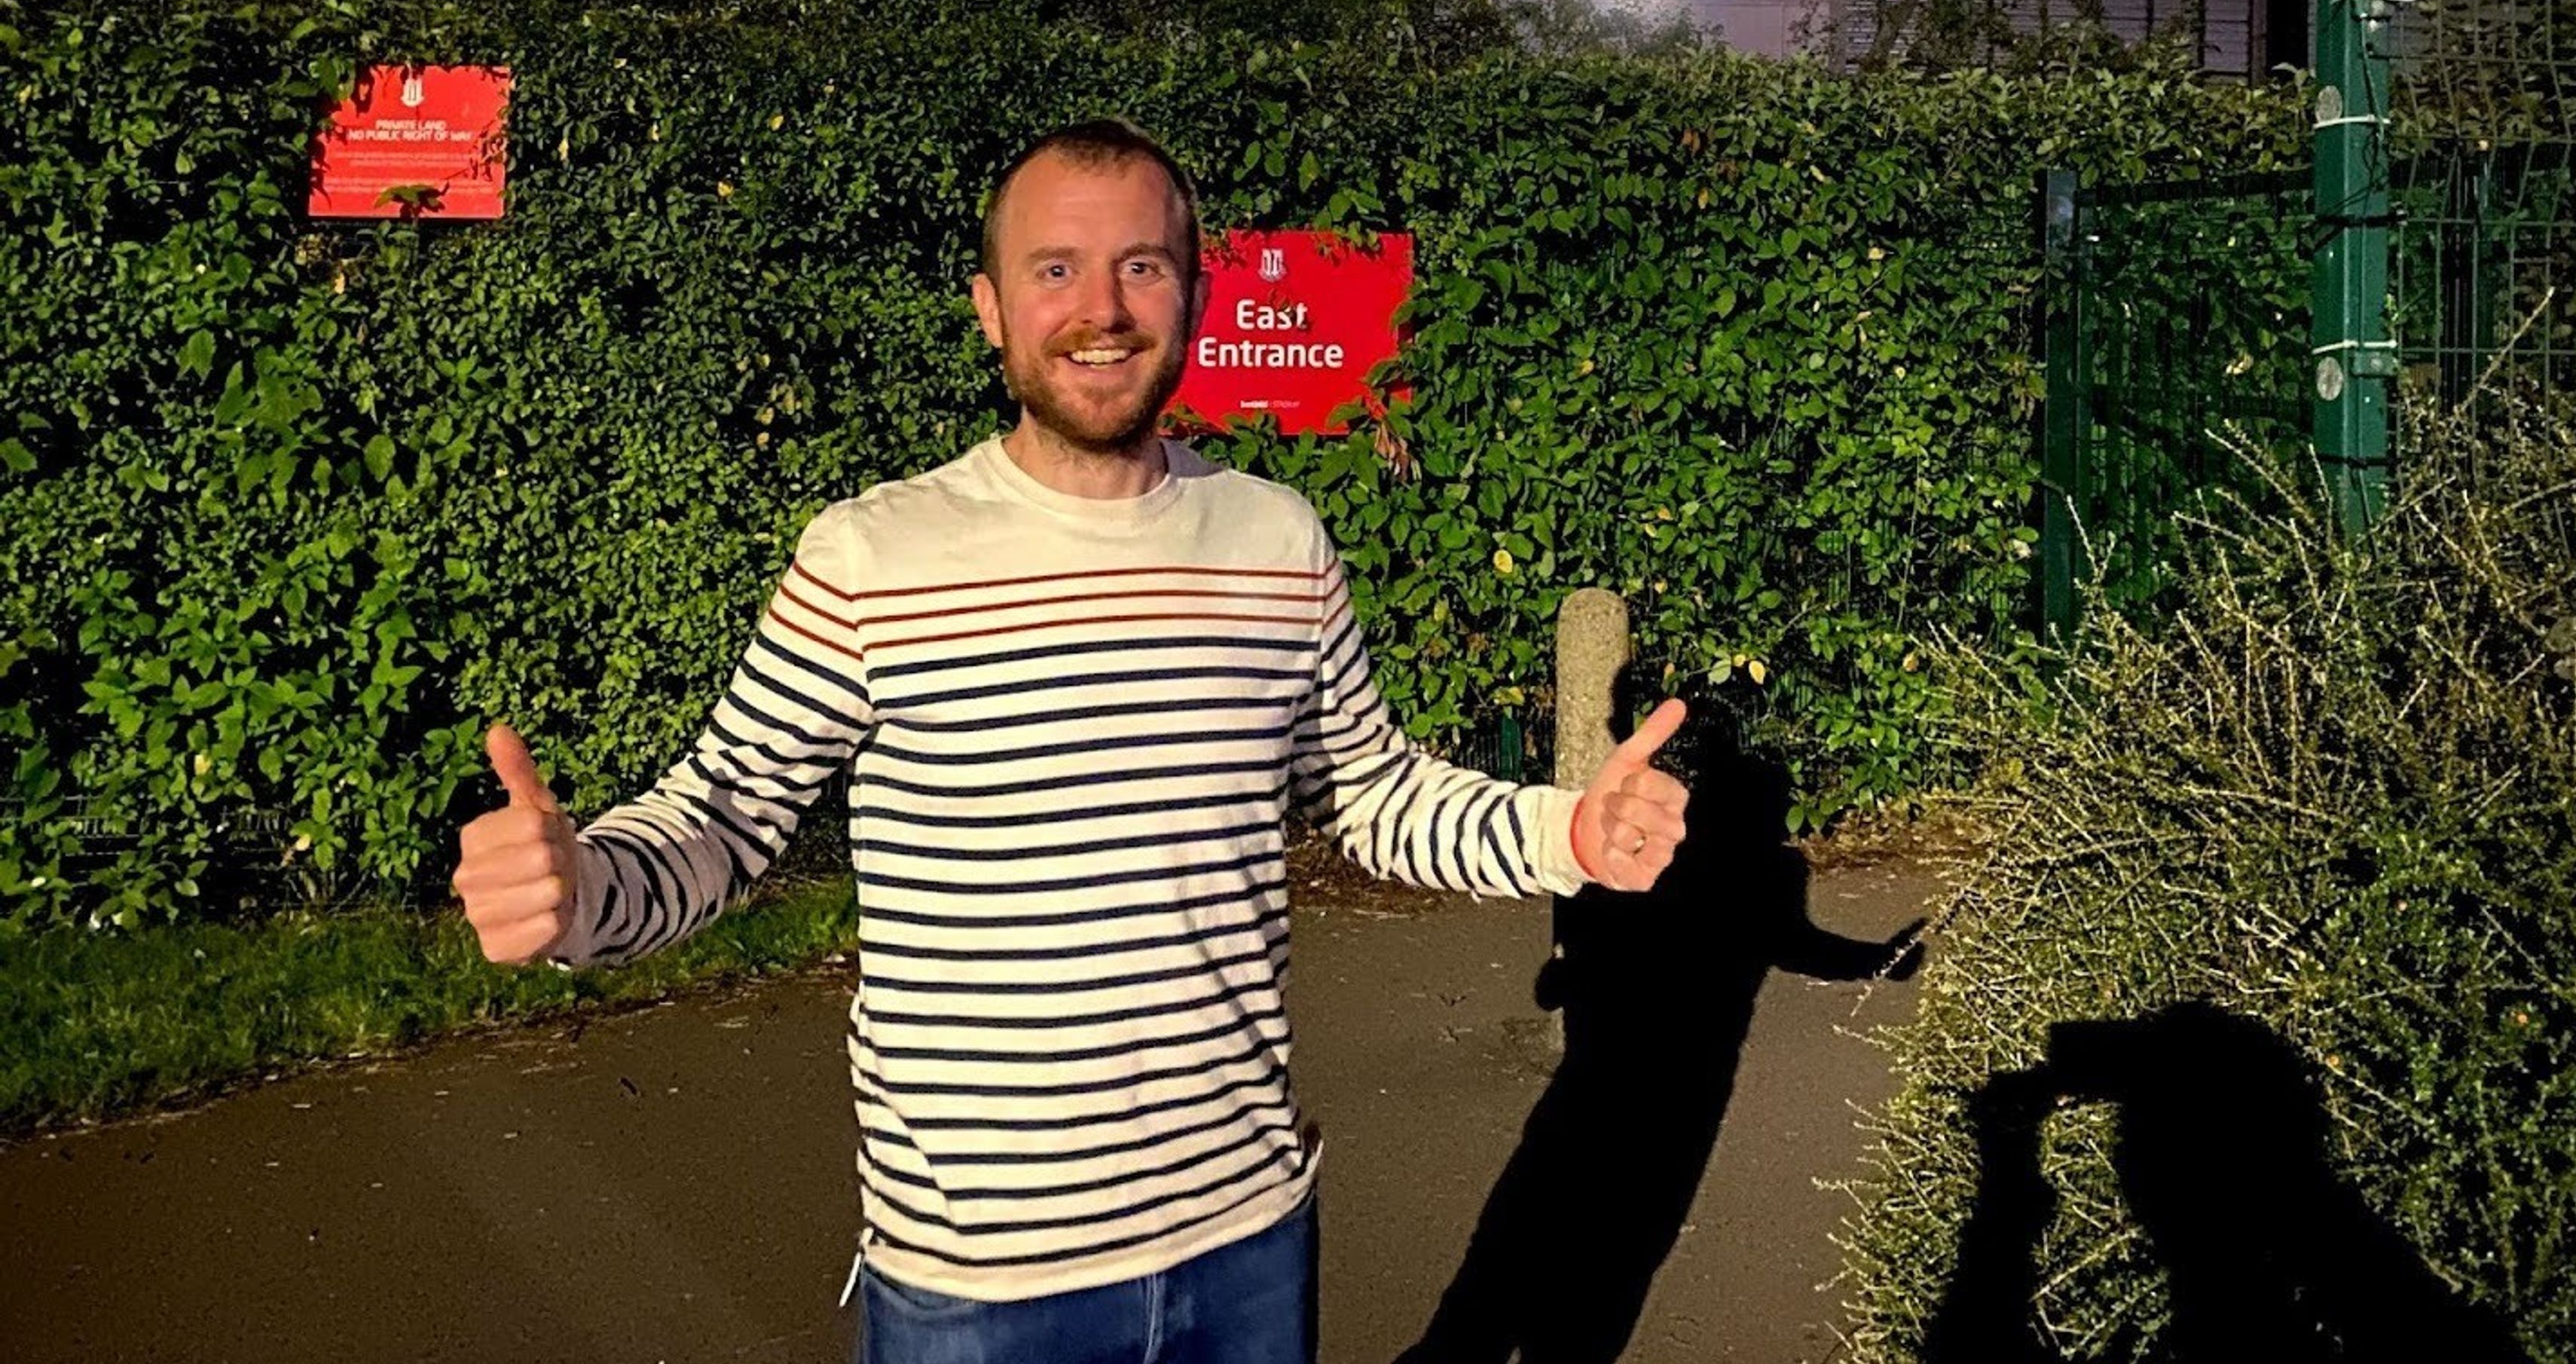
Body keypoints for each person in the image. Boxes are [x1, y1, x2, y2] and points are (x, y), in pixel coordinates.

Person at [450, 117, 1691, 1364]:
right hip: (981, 1285)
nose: (1100, 308)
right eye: (1056, 270)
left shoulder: (1275, 540)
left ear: (1196, 295)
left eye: (1141, 266)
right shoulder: (874, 558)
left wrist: (1566, 829)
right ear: (991, 308)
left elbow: (1370, 793)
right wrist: (585, 892)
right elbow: (724, 815)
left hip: (1247, 1237)